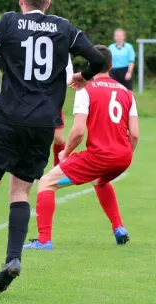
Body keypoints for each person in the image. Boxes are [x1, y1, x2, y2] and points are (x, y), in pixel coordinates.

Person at [0, 0, 106, 295]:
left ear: (22, 0)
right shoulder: (64, 27)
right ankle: (13, 259)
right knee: (20, 191)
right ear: (47, 4)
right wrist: (83, 76)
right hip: (43, 124)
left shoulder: (9, 23)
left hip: (9, 118)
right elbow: (99, 59)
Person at [24, 46, 138, 250]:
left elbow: (78, 131)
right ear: (111, 66)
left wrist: (65, 152)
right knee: (99, 181)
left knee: (46, 182)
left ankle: (44, 240)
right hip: (124, 156)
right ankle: (118, 227)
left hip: (100, 155)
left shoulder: (87, 90)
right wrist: (127, 154)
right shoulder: (127, 93)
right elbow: (135, 134)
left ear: (89, 64)